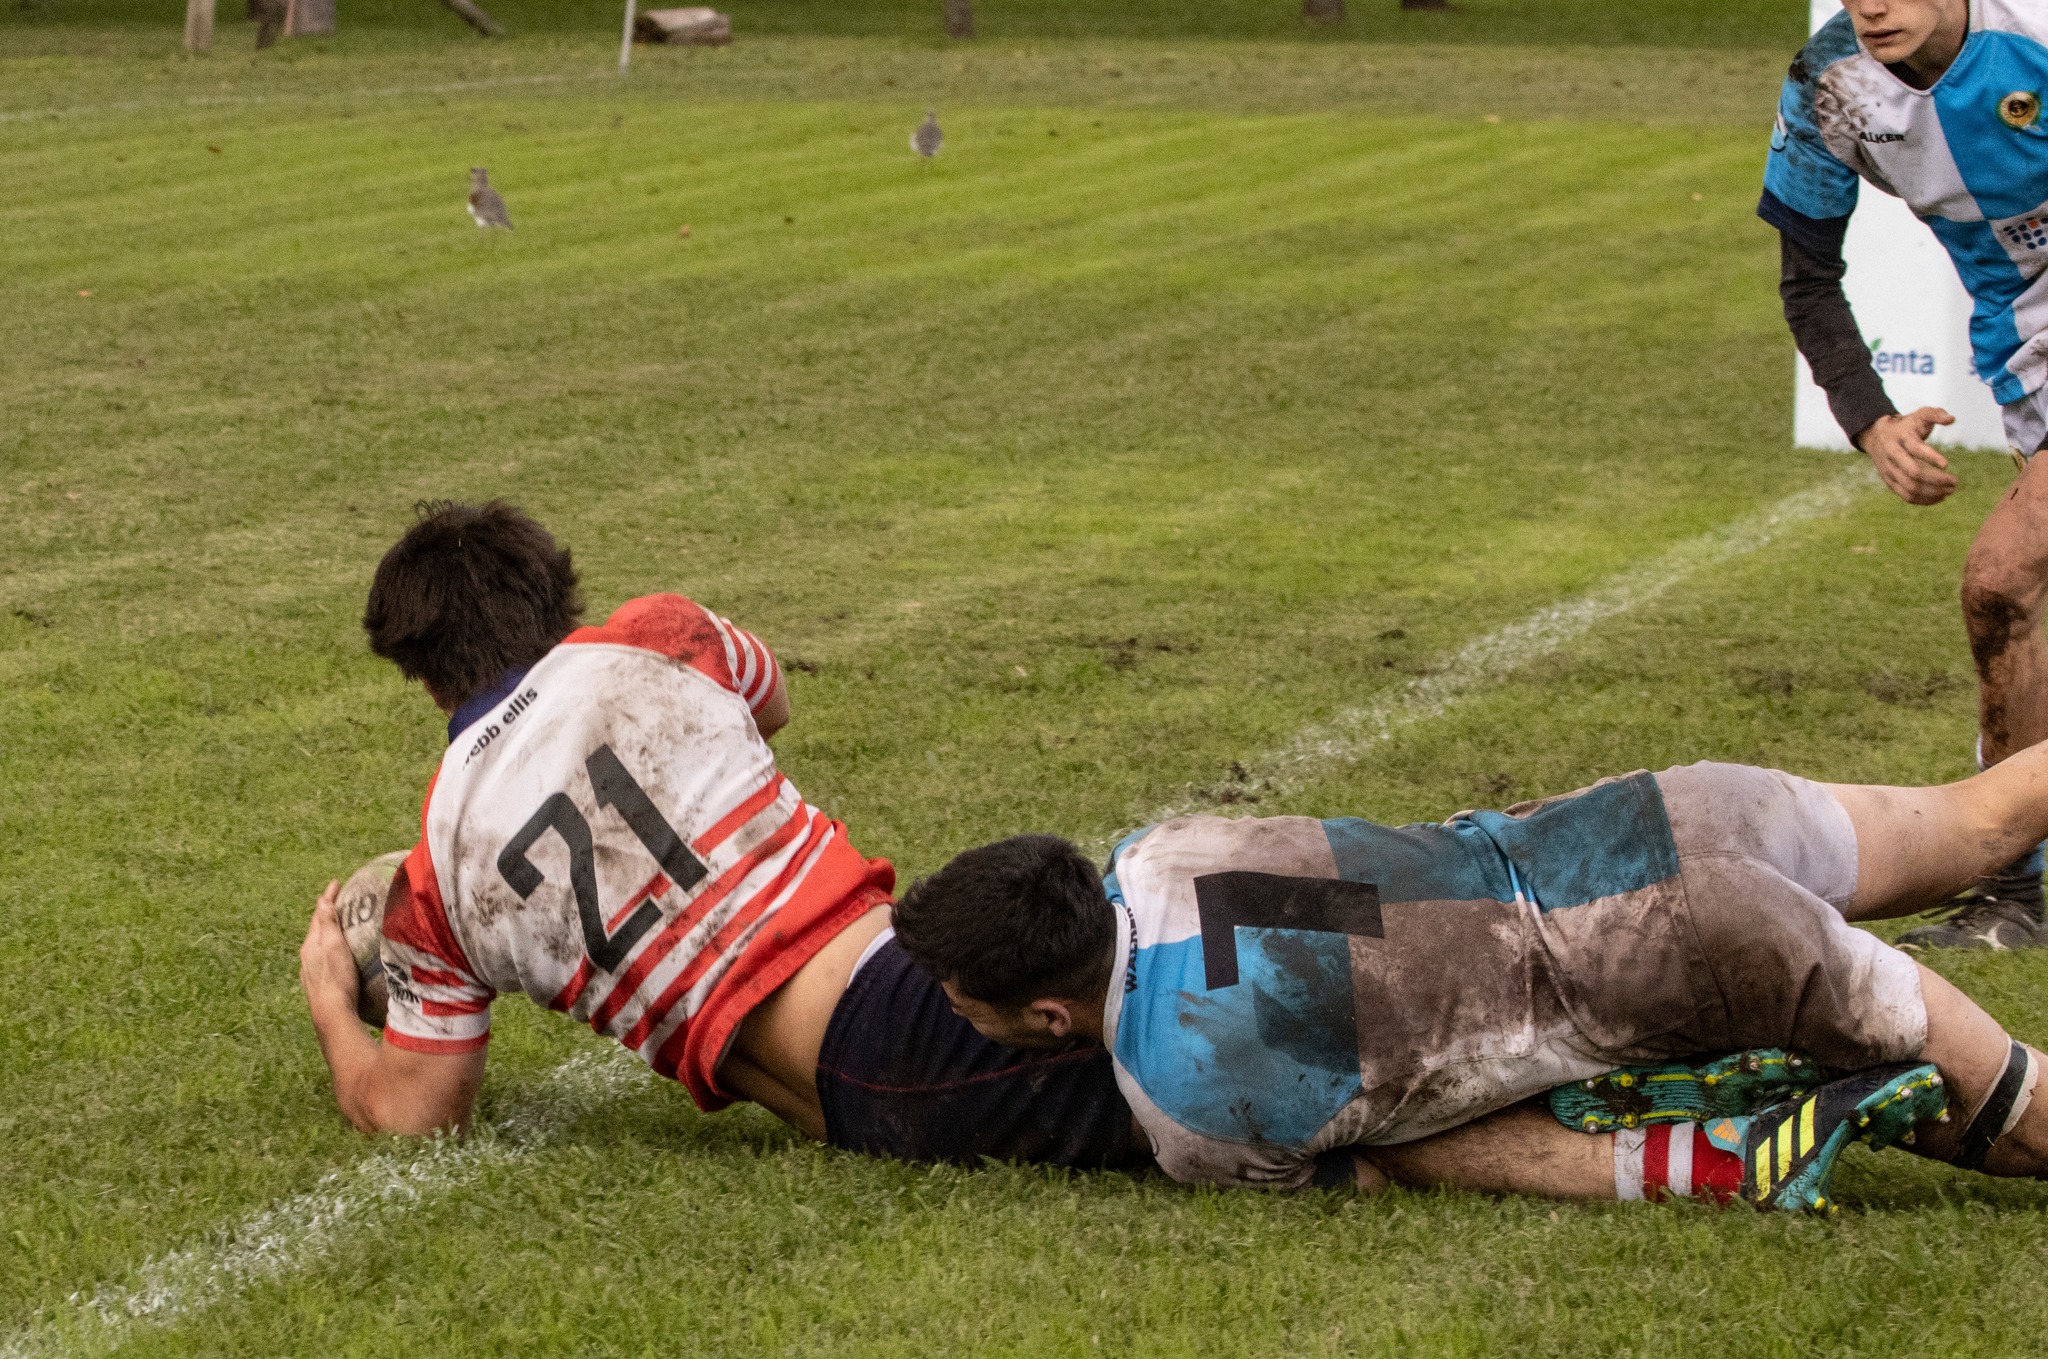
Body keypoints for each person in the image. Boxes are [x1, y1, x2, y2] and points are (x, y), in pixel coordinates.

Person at [296, 501, 1146, 1170]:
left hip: (867, 1094)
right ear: (558, 596)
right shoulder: (660, 635)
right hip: (908, 1009)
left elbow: (414, 1115)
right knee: (1212, 1018)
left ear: (421, 675)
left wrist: (335, 1006)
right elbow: (770, 703)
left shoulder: (436, 877)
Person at [893, 756, 2048, 1207]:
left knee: (2015, 1119)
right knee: (1983, 819)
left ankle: (1699, 1150)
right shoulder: (1159, 847)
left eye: (964, 1001)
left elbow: (1377, 1170)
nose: (954, 1015)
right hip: (1657, 811)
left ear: (1048, 1013)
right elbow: (1356, 918)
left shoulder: (1181, 1116)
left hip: (1684, 947)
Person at [1760, 0, 2048, 948]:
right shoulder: (1828, 85)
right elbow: (1808, 277)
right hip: (2028, 363)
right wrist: (1869, 418)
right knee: (2023, 602)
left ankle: (2017, 890)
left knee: (2005, 577)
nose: (1871, 4)